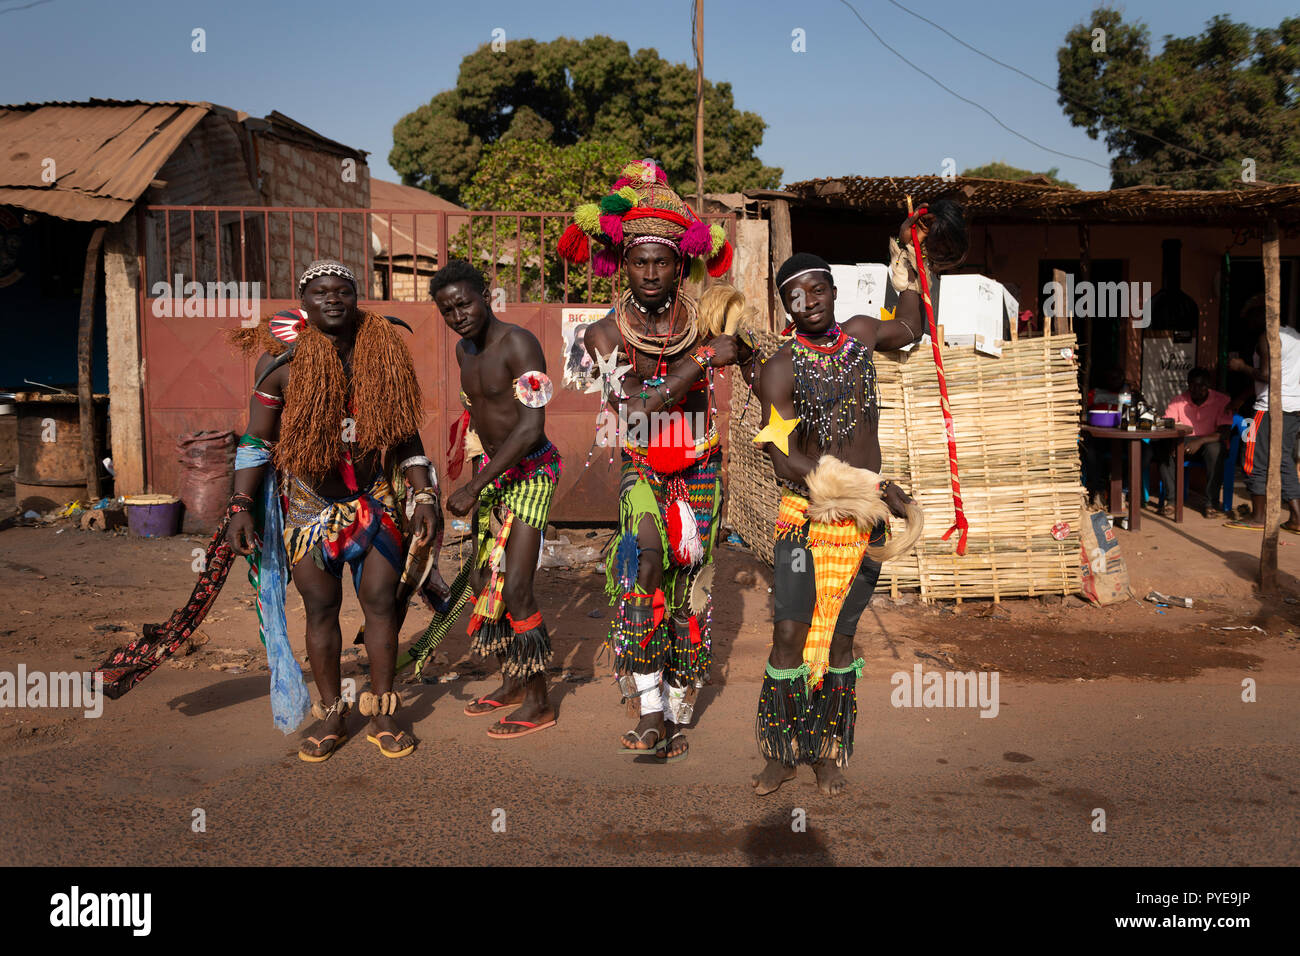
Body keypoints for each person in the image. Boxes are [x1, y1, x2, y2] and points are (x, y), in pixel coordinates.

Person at [749, 216, 950, 796]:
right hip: (806, 522)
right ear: (785, 305)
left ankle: (826, 751)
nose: (807, 302)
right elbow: (783, 459)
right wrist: (862, 487)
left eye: (816, 289)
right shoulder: (779, 368)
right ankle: (780, 751)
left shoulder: (862, 334)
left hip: (863, 525)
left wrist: (910, 270)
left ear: (835, 292)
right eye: (794, 295)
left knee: (840, 638)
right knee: (789, 633)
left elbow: (911, 328)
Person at [559, 158, 750, 760]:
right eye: (639, 261)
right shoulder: (604, 336)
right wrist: (699, 365)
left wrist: (739, 348)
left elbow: (757, 357)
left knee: (691, 574)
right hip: (642, 459)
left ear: (679, 265)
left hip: (699, 459)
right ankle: (648, 706)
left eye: (662, 261)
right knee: (644, 558)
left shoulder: (708, 320)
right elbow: (636, 413)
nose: (649, 272)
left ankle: (675, 690)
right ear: (626, 264)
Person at [227, 259, 439, 761]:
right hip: (308, 506)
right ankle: (330, 714)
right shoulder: (281, 365)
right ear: (303, 303)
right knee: (320, 608)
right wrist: (240, 504)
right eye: (321, 292)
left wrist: (423, 492)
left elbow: (406, 434)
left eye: (343, 291)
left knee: (381, 602)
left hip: (375, 500)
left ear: (356, 296)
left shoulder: (383, 354)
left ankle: (384, 712)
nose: (333, 299)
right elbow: (257, 442)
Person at [433, 259, 561, 739]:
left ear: (486, 295)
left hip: (531, 473)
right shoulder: (464, 350)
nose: (458, 315)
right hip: (494, 479)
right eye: (448, 310)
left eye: (464, 303)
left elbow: (531, 429)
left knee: (517, 588)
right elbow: (478, 422)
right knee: (488, 577)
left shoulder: (520, 344)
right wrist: (478, 481)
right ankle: (511, 681)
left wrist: (473, 487)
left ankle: (540, 701)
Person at [1228, 308, 1300, 532]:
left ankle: (1258, 516)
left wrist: (1241, 367)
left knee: (1251, 457)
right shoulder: (1294, 337)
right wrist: (1242, 397)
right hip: (1293, 408)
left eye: (1249, 316)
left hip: (1268, 409)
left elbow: (1269, 376)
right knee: (1284, 461)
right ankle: (1297, 517)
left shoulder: (1266, 337)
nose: (1247, 323)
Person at [1155, 367, 1233, 518]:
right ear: (1188, 384)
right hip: (1183, 442)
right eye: (1193, 385)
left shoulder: (1222, 400)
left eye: (1202, 385)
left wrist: (1200, 441)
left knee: (1215, 450)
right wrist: (1173, 442)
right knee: (1162, 447)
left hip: (1210, 441)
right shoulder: (1178, 400)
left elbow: (1224, 433)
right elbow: (1167, 423)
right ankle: (1171, 501)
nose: (1198, 389)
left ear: (1209, 385)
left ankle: (1212, 503)